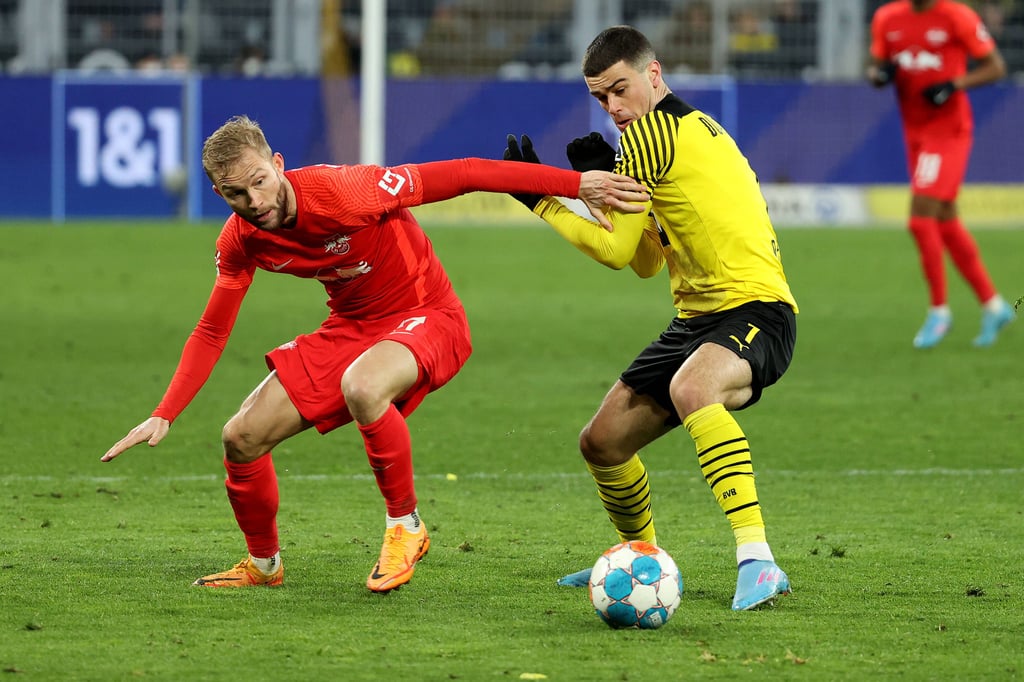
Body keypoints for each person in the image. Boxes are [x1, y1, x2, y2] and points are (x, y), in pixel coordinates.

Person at [100, 115, 648, 592]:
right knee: (240, 437)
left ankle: (405, 527)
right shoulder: (240, 239)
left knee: (363, 385)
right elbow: (212, 330)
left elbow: (466, 174)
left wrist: (577, 185)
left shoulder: (348, 191)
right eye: (235, 195)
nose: (255, 203)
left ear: (279, 164)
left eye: (260, 183)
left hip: (429, 315)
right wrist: (164, 412)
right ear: (219, 193)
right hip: (353, 327)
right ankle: (263, 565)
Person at [503, 25, 797, 611]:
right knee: (602, 442)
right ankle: (639, 558)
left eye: (620, 89)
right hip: (696, 321)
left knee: (693, 388)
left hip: (756, 310)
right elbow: (642, 260)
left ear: (653, 75)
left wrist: (542, 199)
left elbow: (613, 258)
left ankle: (758, 560)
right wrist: (596, 197)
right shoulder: (671, 132)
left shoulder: (653, 135)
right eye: (600, 97)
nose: (613, 107)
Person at [868, 0, 1015, 348]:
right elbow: (875, 69)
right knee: (945, 222)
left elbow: (996, 67)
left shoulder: (956, 16)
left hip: (949, 131)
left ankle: (939, 312)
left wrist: (955, 84)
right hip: (915, 131)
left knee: (920, 220)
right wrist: (880, 75)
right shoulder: (887, 18)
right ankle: (994, 306)